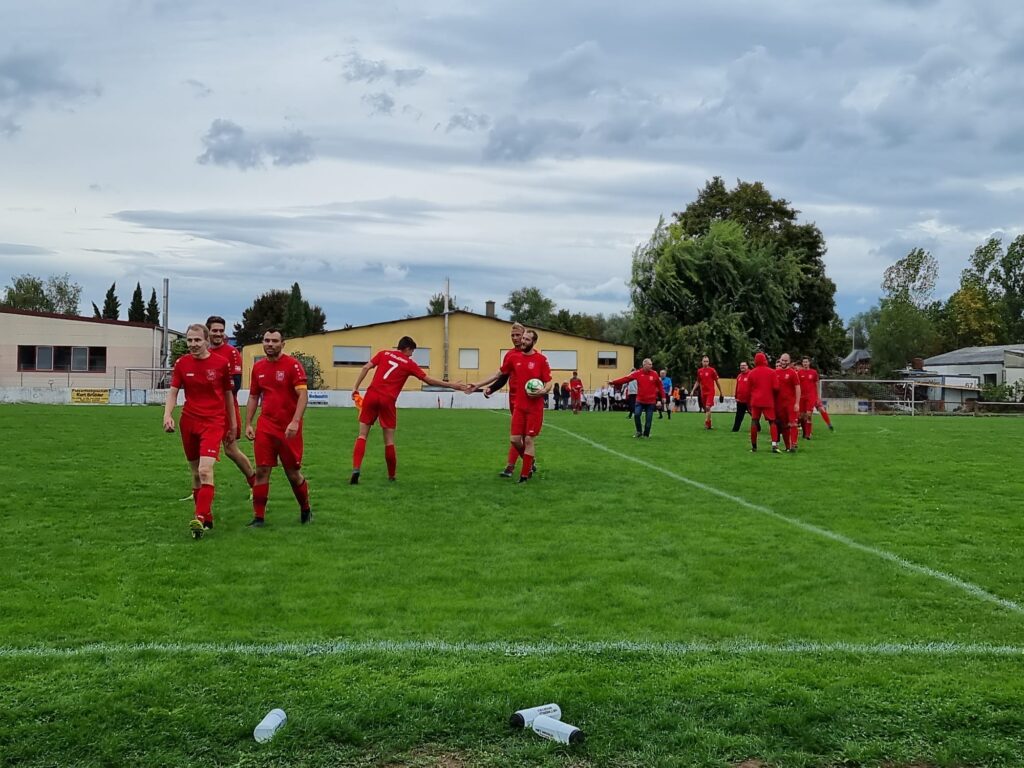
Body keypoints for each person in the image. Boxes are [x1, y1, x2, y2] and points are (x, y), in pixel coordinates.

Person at [351, 336, 466, 484]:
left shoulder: (383, 353)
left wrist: (355, 388)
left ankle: (356, 469)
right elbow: (428, 380)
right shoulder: (409, 363)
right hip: (388, 400)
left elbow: (366, 367)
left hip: (371, 395)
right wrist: (451, 385)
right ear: (407, 349)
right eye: (412, 352)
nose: (411, 355)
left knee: (362, 435)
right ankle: (391, 476)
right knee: (389, 441)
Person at [163, 323, 236, 539]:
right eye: (190, 340)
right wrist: (167, 415)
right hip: (189, 422)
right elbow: (173, 392)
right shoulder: (182, 363)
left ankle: (199, 518)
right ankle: (207, 518)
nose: (193, 344)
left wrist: (232, 424)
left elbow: (228, 396)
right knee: (195, 473)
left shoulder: (221, 364)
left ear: (206, 341)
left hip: (213, 422)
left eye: (197, 340)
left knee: (205, 470)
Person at [244, 328, 312, 526]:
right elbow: (254, 396)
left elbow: (303, 395)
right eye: (267, 340)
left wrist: (295, 421)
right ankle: (258, 518)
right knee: (262, 470)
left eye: (274, 341)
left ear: (282, 344)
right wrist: (248, 423)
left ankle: (305, 509)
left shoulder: (293, 365)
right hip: (266, 426)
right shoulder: (258, 368)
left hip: (288, 429)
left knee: (292, 473)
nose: (270, 344)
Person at [468, 322, 538, 477]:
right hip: (514, 399)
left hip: (529, 400)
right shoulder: (510, 355)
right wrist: (490, 388)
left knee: (523, 436)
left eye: (518, 335)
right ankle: (528, 462)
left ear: (525, 336)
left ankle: (511, 466)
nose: (515, 338)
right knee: (516, 436)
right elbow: (503, 376)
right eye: (512, 335)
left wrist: (540, 391)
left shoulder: (535, 356)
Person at [206, 315, 257, 493]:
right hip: (204, 409)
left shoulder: (231, 353)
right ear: (208, 331)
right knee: (201, 451)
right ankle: (200, 490)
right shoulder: (203, 352)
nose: (218, 334)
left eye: (221, 330)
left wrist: (211, 388)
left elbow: (235, 384)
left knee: (230, 449)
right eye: (214, 330)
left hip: (225, 409)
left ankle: (255, 484)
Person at [499, 329, 551, 482]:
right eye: (523, 338)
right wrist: (479, 385)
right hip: (519, 406)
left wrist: (543, 391)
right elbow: (500, 374)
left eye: (527, 339)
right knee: (515, 440)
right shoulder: (514, 358)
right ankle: (529, 463)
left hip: (535, 407)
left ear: (533, 342)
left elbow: (549, 381)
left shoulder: (541, 359)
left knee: (528, 440)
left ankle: (524, 475)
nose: (523, 341)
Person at [610, 358, 666, 438]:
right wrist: (613, 382)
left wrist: (663, 396)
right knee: (636, 415)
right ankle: (639, 431)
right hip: (640, 400)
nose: (651, 366)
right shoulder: (638, 373)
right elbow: (626, 379)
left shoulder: (654, 374)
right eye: (650, 364)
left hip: (651, 401)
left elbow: (660, 386)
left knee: (648, 421)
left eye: (651, 364)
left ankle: (646, 434)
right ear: (644, 365)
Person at [746, 352, 781, 453]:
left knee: (754, 421)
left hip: (755, 401)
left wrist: (749, 401)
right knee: (772, 422)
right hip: (768, 400)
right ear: (765, 360)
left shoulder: (751, 373)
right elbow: (776, 388)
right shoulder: (772, 372)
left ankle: (754, 446)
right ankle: (774, 445)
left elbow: (748, 390)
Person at [798, 356, 834, 437]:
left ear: (809, 363)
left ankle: (828, 424)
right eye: (804, 362)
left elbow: (817, 384)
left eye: (806, 362)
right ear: (802, 363)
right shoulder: (799, 373)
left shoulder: (813, 372)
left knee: (816, 411)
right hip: (803, 397)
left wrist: (818, 396)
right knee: (802, 416)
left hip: (812, 396)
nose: (805, 363)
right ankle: (803, 431)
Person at [774, 352, 802, 452]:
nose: (783, 362)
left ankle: (794, 444)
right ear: (780, 360)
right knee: (784, 426)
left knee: (793, 423)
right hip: (779, 404)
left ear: (789, 361)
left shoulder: (792, 373)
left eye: (786, 360)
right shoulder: (775, 372)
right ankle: (788, 447)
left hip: (790, 403)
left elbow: (797, 388)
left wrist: (797, 403)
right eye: (782, 360)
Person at [695, 356, 725, 429]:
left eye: (707, 361)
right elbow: (698, 381)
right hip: (703, 393)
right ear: (702, 362)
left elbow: (717, 382)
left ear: (708, 362)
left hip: (710, 392)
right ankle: (709, 424)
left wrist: (721, 392)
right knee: (706, 409)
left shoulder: (712, 370)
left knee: (708, 407)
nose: (706, 363)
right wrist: (693, 390)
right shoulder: (699, 371)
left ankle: (706, 423)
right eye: (704, 361)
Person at [731, 361, 751, 432]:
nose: (742, 367)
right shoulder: (739, 376)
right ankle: (735, 429)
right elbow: (737, 387)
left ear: (747, 366)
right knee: (738, 415)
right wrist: (736, 396)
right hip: (740, 400)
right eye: (741, 365)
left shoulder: (751, 374)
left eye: (744, 365)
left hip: (749, 400)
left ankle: (757, 427)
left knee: (754, 415)